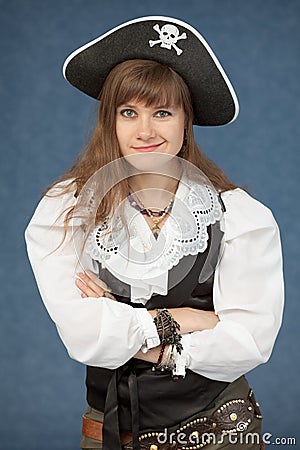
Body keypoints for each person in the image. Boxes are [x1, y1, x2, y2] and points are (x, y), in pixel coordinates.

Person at [25, 16, 284, 450]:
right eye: (129, 113)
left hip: (219, 434)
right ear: (111, 121)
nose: (145, 131)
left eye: (162, 112)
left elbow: (248, 342)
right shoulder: (67, 209)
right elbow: (83, 334)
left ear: (186, 121)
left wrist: (136, 334)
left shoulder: (239, 215)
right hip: (109, 434)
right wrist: (185, 320)